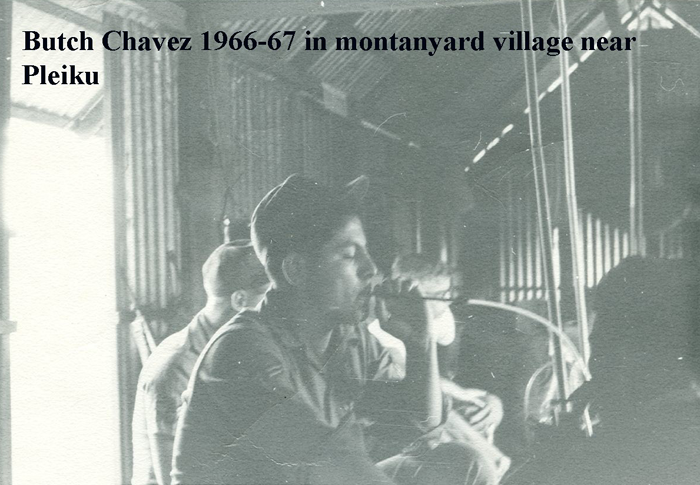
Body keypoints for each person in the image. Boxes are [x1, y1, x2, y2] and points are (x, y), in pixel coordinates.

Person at [171, 174, 499, 485]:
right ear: (297, 270)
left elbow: (423, 427)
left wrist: (420, 345)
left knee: (462, 462)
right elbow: (334, 465)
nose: (371, 269)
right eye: (349, 255)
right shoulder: (243, 349)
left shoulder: (348, 338)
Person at [509, 256, 700, 484]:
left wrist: (555, 459)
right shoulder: (665, 427)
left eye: (602, 347)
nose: (595, 364)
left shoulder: (623, 453)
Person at [131, 240, 270, 485]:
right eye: (266, 297)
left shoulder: (234, 349)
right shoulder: (176, 366)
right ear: (239, 300)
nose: (273, 309)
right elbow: (172, 478)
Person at [368, 253, 509, 477]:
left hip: (433, 400)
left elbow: (444, 373)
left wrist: (489, 400)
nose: (449, 300)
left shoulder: (443, 317)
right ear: (409, 295)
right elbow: (411, 378)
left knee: (480, 409)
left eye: (449, 291)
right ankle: (492, 463)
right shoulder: (382, 330)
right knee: (449, 417)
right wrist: (461, 394)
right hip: (399, 417)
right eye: (441, 295)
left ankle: (489, 464)